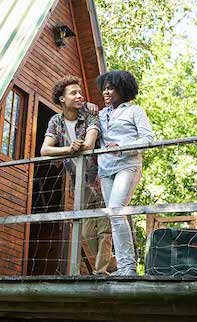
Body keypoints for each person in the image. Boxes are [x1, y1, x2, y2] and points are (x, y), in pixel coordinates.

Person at [41, 75, 115, 274]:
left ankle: (101, 271)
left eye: (80, 92)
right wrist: (68, 150)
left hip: (100, 177)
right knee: (86, 231)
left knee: (104, 229)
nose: (79, 96)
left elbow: (90, 143)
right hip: (78, 181)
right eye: (74, 93)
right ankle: (110, 262)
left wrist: (80, 146)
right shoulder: (55, 121)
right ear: (62, 99)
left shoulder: (90, 114)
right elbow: (45, 150)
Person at [96, 70, 154, 276]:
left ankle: (128, 268)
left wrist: (122, 145)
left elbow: (149, 139)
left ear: (123, 89)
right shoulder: (100, 115)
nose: (106, 92)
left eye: (111, 88)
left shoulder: (135, 111)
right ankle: (124, 266)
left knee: (117, 211)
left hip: (127, 165)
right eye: (104, 88)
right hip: (105, 169)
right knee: (113, 216)